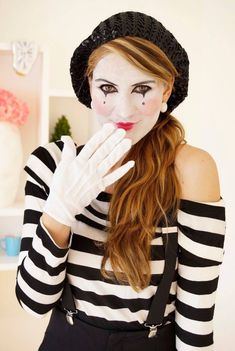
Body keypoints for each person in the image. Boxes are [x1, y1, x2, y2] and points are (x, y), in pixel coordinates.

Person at [15, 11, 226, 351]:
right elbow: (33, 303)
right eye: (108, 88)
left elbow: (197, 317)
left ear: (167, 89)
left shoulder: (192, 169)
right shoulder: (52, 164)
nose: (124, 111)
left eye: (142, 88)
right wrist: (59, 213)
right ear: (90, 87)